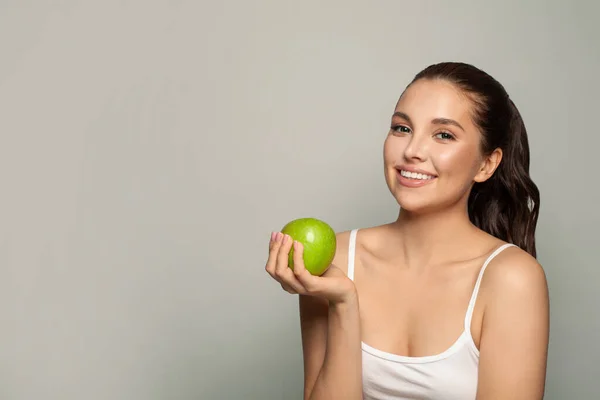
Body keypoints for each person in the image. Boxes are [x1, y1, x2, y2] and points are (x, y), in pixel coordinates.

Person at [265, 62, 549, 400]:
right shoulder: (336, 259)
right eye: (402, 128)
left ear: (487, 164)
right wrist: (343, 303)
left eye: (444, 134)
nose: (412, 150)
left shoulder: (511, 279)